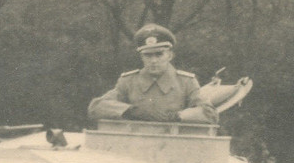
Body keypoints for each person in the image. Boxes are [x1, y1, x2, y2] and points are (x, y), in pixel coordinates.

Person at [88, 24, 217, 124]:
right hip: (134, 142)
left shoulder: (186, 82)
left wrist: (177, 117)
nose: (153, 60)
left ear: (170, 55)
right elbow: (96, 107)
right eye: (148, 55)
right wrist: (130, 111)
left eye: (159, 54)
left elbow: (209, 113)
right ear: (141, 57)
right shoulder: (129, 81)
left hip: (174, 142)